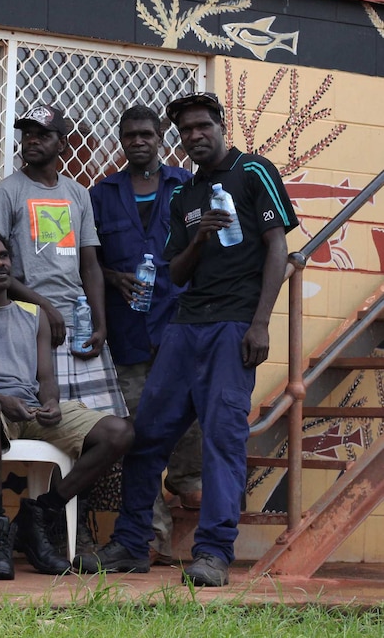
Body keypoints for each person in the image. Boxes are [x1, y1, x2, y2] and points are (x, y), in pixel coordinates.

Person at [95, 92, 298, 587]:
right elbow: (178, 273)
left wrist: (261, 322)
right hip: (184, 327)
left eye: (202, 126)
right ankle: (131, 542)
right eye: (186, 130)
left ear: (221, 125)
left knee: (221, 442)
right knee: (145, 438)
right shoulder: (184, 195)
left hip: (234, 326)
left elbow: (278, 248)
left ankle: (212, 554)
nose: (194, 136)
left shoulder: (254, 171)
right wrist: (201, 237)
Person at [0, 228, 133, 578]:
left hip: (27, 410)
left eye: (3, 256)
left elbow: (46, 381)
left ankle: (39, 514)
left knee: (119, 432)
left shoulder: (33, 314)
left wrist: (53, 403)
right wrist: (0, 400)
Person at [0, 103, 128, 559]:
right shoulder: (6, 193)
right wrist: (43, 306)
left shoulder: (77, 194)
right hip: (31, 327)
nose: (32, 141)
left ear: (62, 141)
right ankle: (60, 532)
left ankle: (53, 514)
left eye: (42, 134)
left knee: (105, 435)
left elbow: (89, 262)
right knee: (47, 428)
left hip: (79, 325)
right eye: (26, 133)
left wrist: (101, 322)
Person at [89, 105, 202, 565]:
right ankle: (151, 537)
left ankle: (186, 479)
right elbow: (86, 258)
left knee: (188, 416)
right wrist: (113, 277)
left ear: (161, 138)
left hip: (180, 324)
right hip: (128, 331)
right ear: (121, 140)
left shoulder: (188, 186)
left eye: (146, 134)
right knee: (136, 434)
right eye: (129, 135)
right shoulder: (102, 194)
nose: (138, 141)